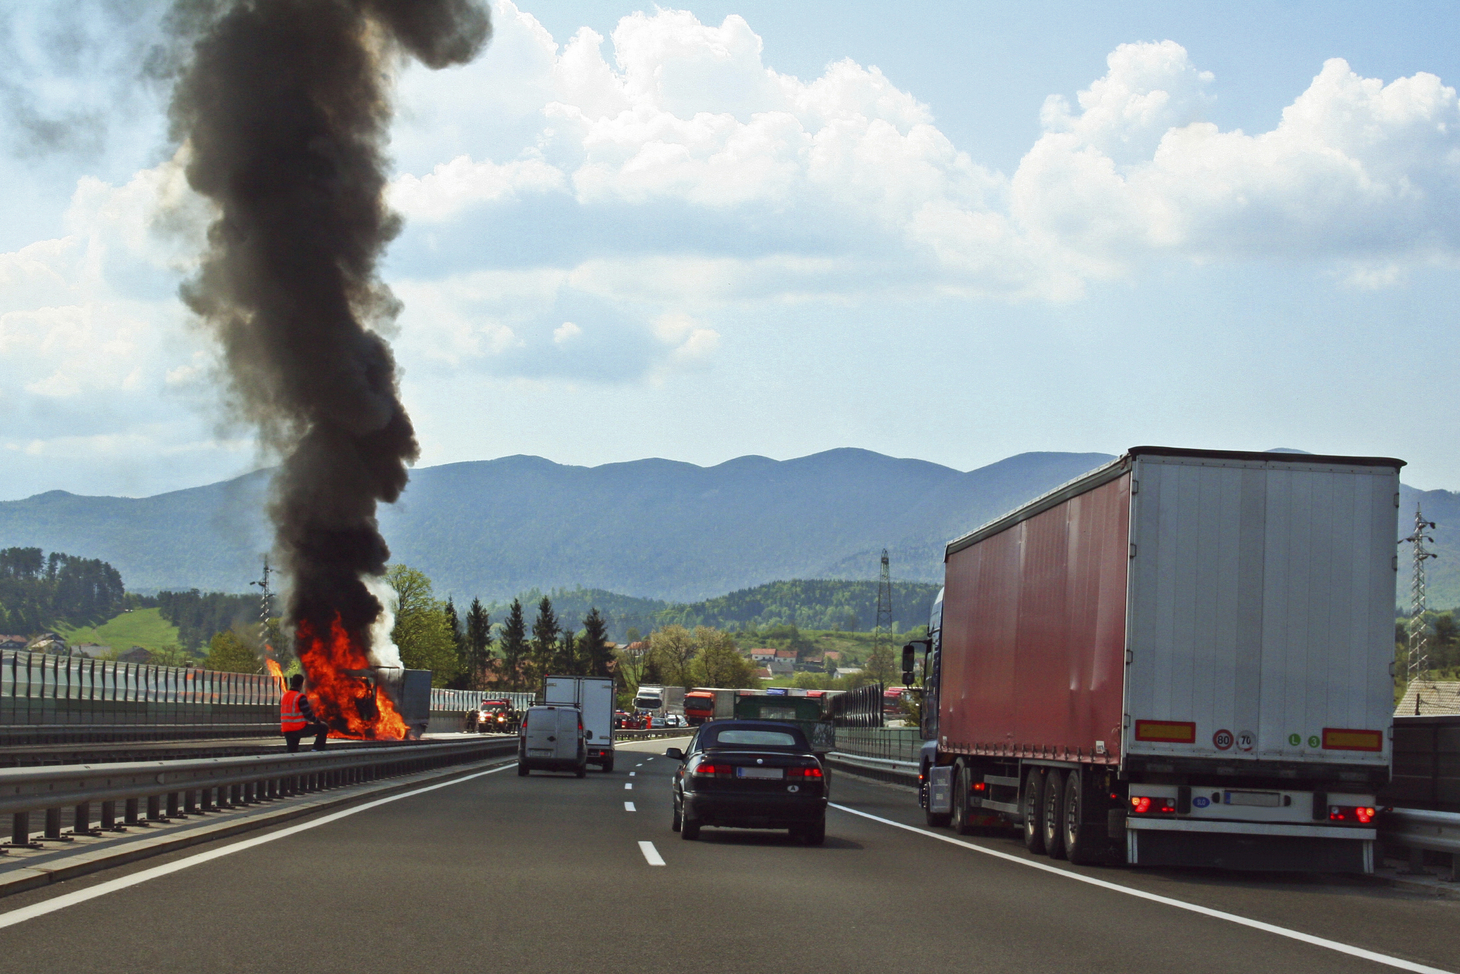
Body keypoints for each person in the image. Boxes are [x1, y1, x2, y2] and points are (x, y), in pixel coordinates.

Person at [281, 674, 328, 752]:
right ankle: (316, 750)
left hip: (286, 729)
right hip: (298, 728)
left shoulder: (284, 696)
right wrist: (318, 721)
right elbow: (308, 714)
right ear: (301, 684)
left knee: (292, 751)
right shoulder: (300, 697)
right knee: (323, 727)